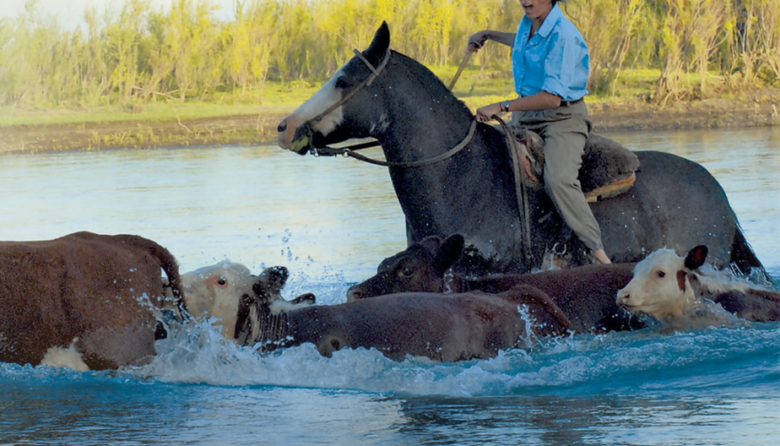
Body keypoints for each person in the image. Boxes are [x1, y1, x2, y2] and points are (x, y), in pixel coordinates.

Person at [468, 0, 611, 265]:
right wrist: (489, 35)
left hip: (562, 118)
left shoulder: (564, 35)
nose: (526, 0)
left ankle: (597, 252)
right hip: (527, 115)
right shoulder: (530, 23)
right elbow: (524, 43)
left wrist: (501, 106)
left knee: (558, 179)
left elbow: (551, 98)